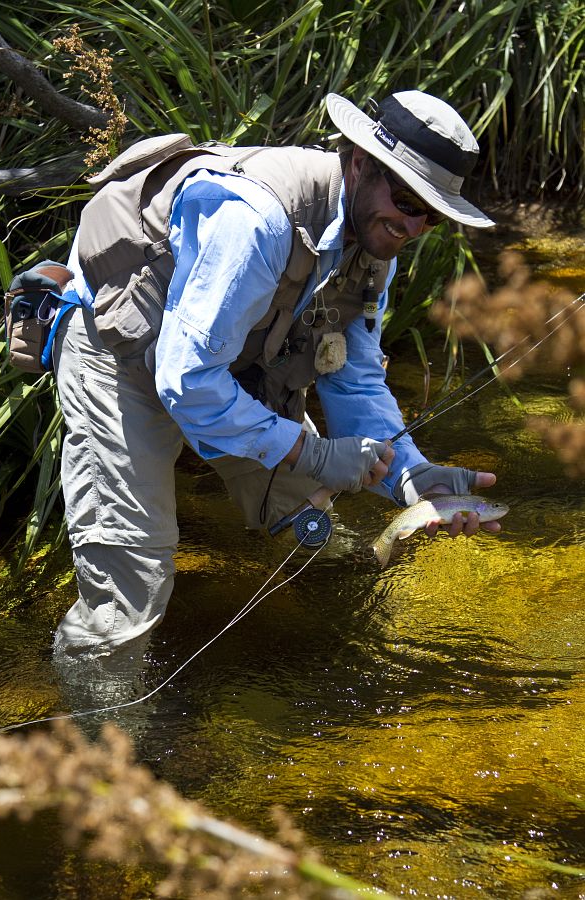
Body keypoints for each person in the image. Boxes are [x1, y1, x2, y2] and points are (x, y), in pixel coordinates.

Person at [47, 90, 501, 657]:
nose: (413, 226)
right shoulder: (259, 219)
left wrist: (411, 479)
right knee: (133, 591)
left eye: (430, 214)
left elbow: (354, 378)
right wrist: (311, 453)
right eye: (408, 200)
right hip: (121, 356)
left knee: (315, 528)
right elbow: (184, 381)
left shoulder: (373, 244)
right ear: (359, 160)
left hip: (225, 362)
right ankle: (94, 726)